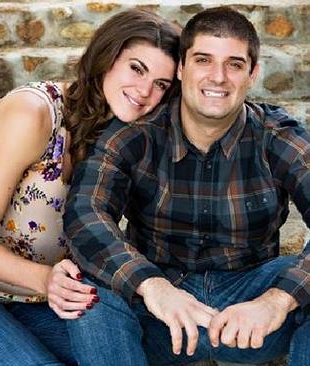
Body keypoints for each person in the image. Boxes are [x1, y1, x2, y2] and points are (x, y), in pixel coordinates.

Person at [64, 6, 310, 366]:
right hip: (159, 311)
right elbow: (85, 212)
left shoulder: (278, 137)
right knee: (91, 286)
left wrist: (277, 299)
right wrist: (152, 286)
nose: (218, 77)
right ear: (181, 68)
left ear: (253, 74)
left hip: (249, 310)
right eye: (203, 60)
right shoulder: (135, 134)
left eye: (235, 64)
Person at [0, 9, 180, 365]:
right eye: (136, 69)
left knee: (147, 346)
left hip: (54, 299)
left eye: (161, 85)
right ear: (106, 58)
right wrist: (45, 279)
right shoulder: (32, 114)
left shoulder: (126, 136)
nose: (144, 92)